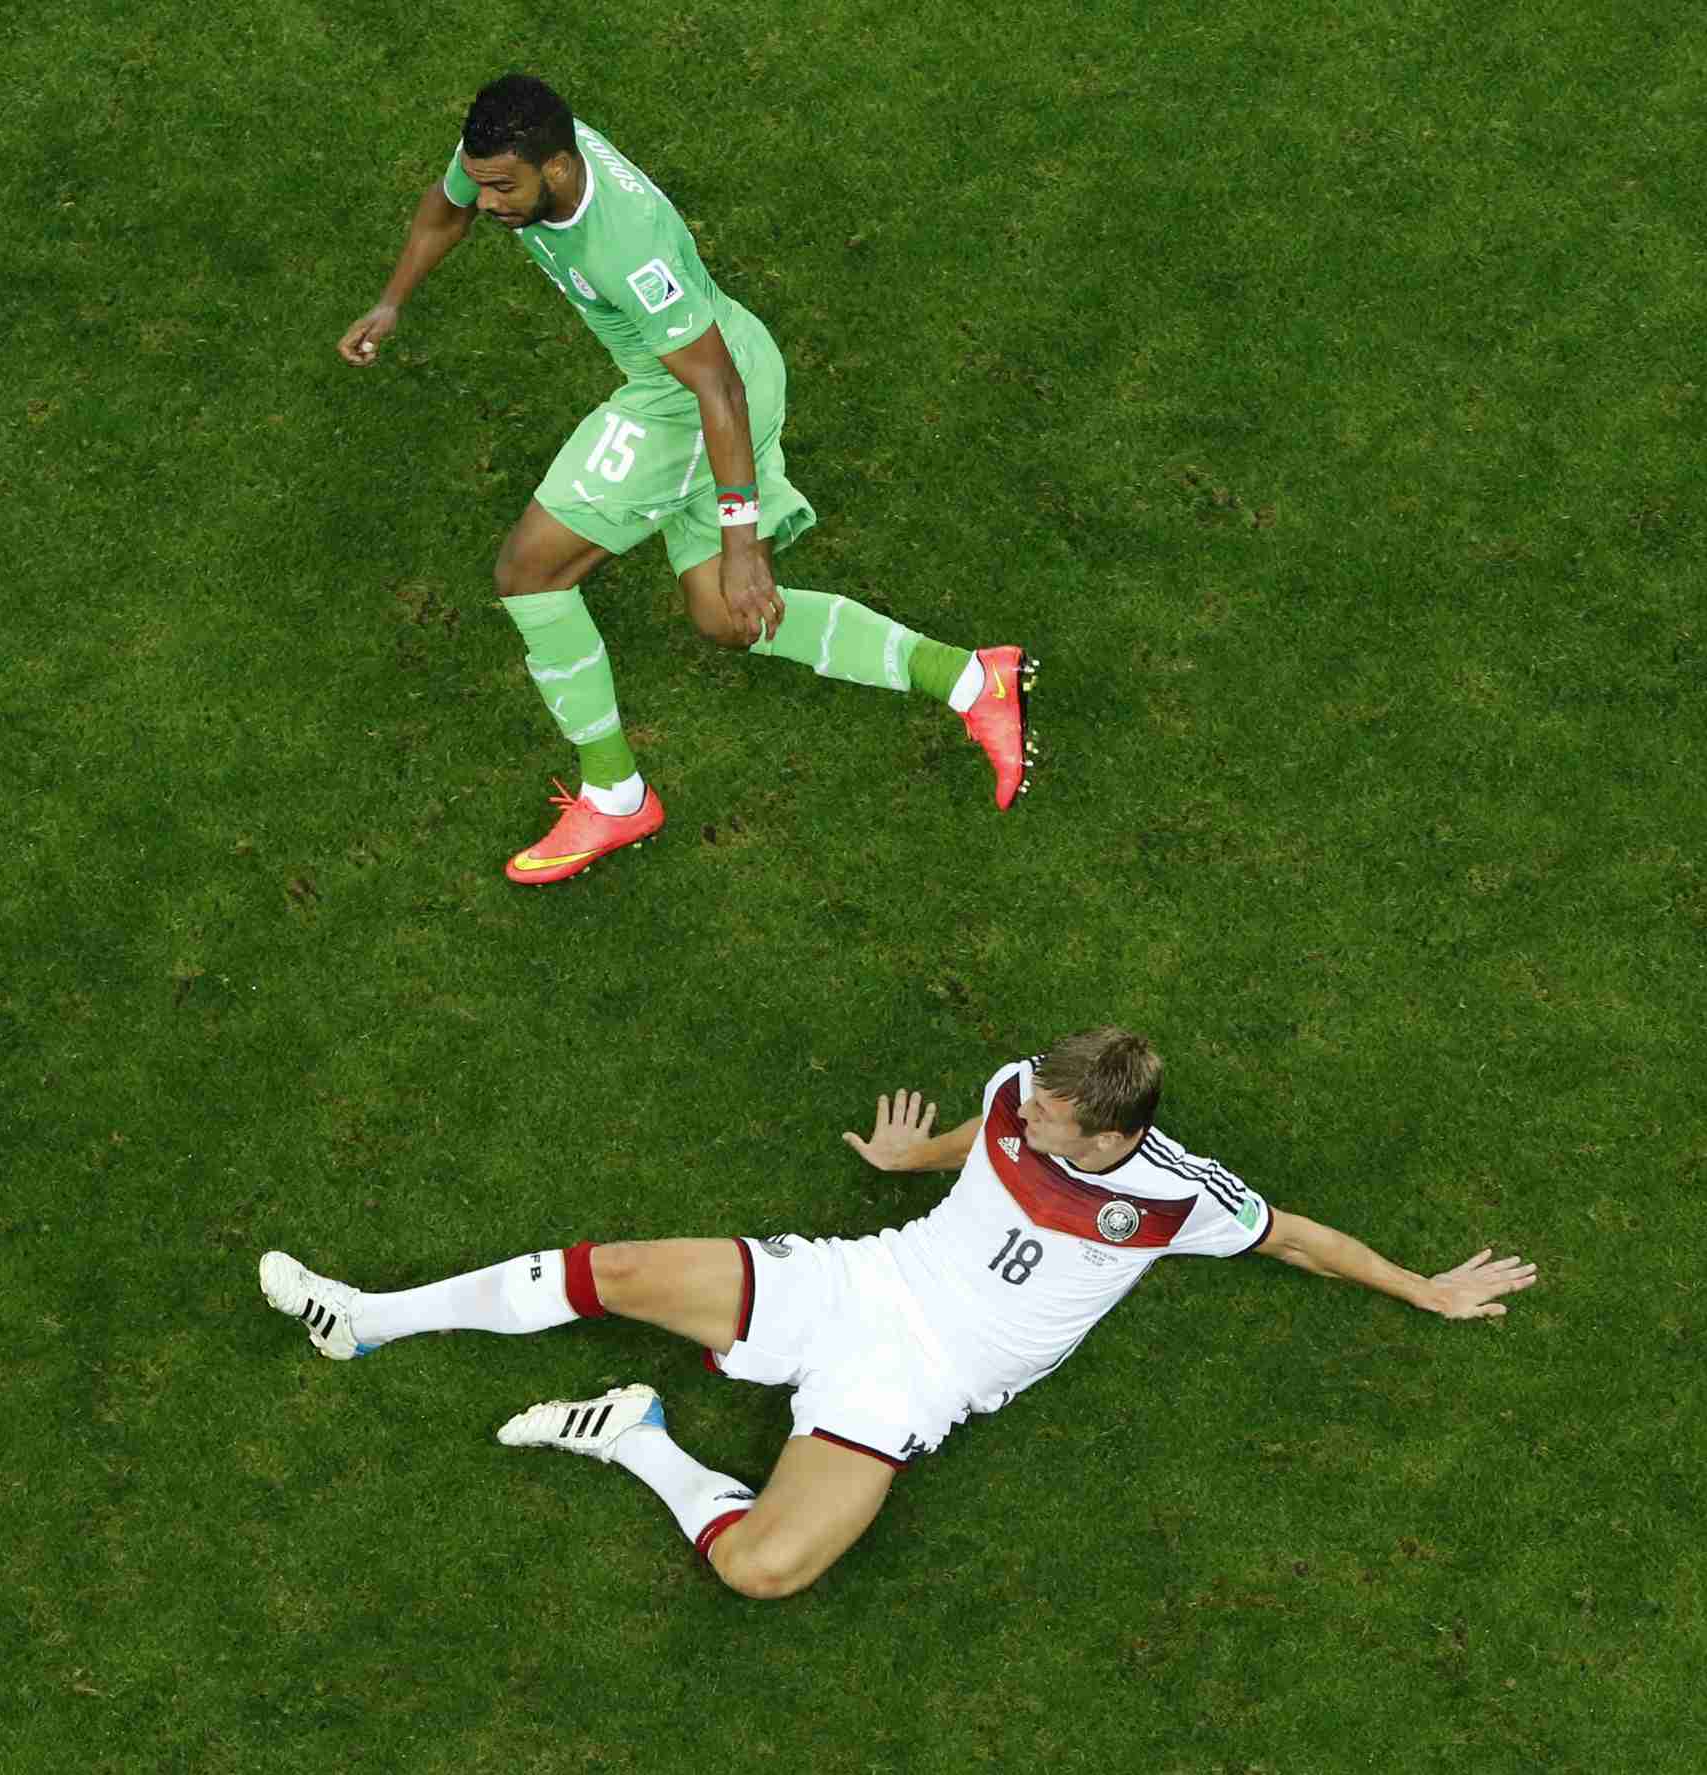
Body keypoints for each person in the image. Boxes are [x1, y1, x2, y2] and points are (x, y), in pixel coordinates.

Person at [261, 1027, 1537, 1598]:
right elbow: (982, 1139)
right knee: (622, 1264)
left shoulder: (1174, 1196)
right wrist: (907, 1159)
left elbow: (1301, 1238)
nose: (1024, 1117)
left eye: (1050, 1119)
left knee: (762, 1569)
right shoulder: (1022, 1091)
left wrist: (1425, 1287)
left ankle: (638, 1436)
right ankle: (365, 1315)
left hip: (917, 1380)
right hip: (864, 1279)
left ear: (1113, 1134)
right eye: (1029, 1099)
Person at [338, 73, 1036, 884]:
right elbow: (444, 207)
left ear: (556, 169)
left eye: (502, 188)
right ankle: (970, 679)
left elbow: (716, 389)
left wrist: (742, 544)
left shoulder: (626, 246)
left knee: (529, 572)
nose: (487, 201)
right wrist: (391, 303)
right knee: (725, 618)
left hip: (692, 401)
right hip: (719, 367)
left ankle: (616, 795)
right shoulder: (519, 144)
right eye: (482, 179)